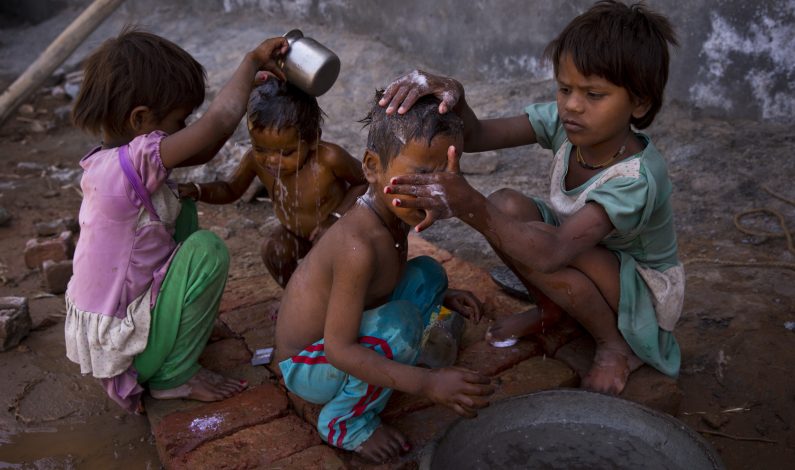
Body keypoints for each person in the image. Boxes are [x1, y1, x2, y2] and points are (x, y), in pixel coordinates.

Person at [379, 0, 683, 395]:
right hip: (582, 250)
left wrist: (469, 205)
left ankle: (614, 346)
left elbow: (552, 251)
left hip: (640, 286)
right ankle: (553, 310)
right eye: (565, 88)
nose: (573, 104)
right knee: (506, 205)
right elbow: (477, 136)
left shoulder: (637, 177)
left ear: (639, 102)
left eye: (594, 94)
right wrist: (454, 94)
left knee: (528, 236)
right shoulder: (566, 123)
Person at [64, 28, 289, 412]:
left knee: (179, 204)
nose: (186, 129)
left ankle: (180, 326)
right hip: (129, 354)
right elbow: (216, 123)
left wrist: (248, 90)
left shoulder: (113, 161)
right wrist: (250, 62)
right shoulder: (129, 166)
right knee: (207, 250)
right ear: (140, 119)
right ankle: (172, 378)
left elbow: (204, 147)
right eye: (181, 120)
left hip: (118, 323)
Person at [273, 91, 494, 463]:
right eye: (423, 174)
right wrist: (428, 384)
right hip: (308, 366)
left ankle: (397, 360)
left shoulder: (394, 214)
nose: (435, 190)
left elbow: (388, 281)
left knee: (428, 274)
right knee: (400, 324)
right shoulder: (357, 245)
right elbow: (338, 349)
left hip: (339, 339)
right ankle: (347, 422)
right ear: (373, 167)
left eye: (448, 174)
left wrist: (442, 297)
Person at [178, 79, 366, 287]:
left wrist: (335, 218)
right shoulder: (255, 162)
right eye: (260, 149)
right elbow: (231, 189)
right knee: (273, 249)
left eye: (286, 152)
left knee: (335, 269)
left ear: (313, 139)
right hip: (297, 234)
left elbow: (364, 182)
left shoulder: (329, 159)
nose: (271, 160)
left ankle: (335, 299)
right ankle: (296, 296)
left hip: (337, 230)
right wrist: (198, 190)